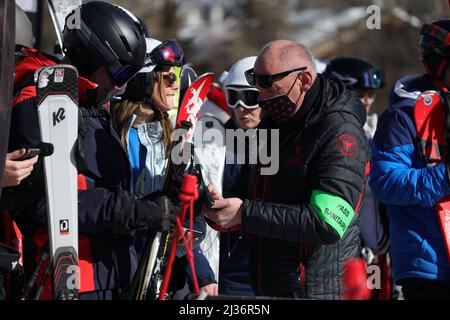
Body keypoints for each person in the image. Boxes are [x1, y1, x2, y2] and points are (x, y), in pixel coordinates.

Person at [7, 1, 178, 300]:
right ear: (91, 57)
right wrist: (132, 211)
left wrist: (157, 205)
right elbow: (42, 202)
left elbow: (101, 184)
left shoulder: (89, 105)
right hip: (66, 277)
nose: (119, 86)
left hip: (109, 274)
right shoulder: (41, 103)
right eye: (120, 73)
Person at [204, 40, 369, 299]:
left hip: (314, 290)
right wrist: (220, 207)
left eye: (269, 85)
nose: (262, 98)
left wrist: (246, 214)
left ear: (303, 80)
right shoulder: (276, 120)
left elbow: (327, 223)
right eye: (256, 83)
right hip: (266, 286)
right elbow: (251, 190)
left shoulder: (341, 132)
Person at [111, 37, 217, 297]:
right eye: (167, 78)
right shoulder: (111, 133)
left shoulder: (173, 136)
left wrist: (198, 198)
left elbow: (191, 218)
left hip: (162, 270)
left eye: (176, 77)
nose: (174, 86)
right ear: (143, 80)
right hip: (117, 267)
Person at [370, 19, 450, 300]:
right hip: (430, 268)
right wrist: (446, 176)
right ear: (439, 64)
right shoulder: (401, 116)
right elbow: (386, 182)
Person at [324, 57, 392, 299]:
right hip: (339, 256)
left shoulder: (378, 135)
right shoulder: (325, 136)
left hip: (378, 256)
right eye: (362, 93)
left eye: (371, 94)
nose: (368, 101)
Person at [219, 56, 263, 296]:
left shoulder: (285, 142)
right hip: (230, 265)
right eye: (233, 97)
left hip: (274, 265)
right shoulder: (214, 142)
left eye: (249, 98)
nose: (241, 107)